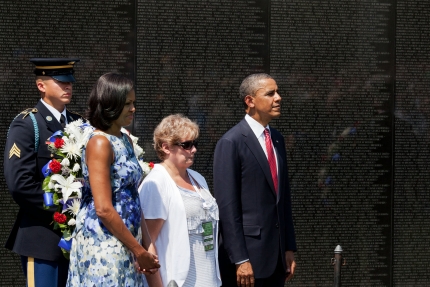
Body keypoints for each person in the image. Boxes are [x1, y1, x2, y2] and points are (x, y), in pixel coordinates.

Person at [66, 73, 159, 286]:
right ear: (110, 105)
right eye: (127, 104)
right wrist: (138, 250)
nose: (133, 109)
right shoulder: (99, 143)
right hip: (104, 242)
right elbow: (103, 209)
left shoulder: (124, 138)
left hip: (128, 240)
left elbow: (131, 196)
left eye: (134, 103)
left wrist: (145, 244)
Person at [3, 58, 82, 287]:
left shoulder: (79, 122)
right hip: (42, 239)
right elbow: (20, 184)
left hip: (78, 241)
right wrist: (66, 209)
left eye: (69, 82)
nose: (68, 86)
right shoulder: (27, 125)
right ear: (41, 86)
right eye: (60, 82)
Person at [213, 73, 297, 287]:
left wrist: (288, 247)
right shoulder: (231, 142)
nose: (278, 98)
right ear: (249, 101)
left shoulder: (276, 138)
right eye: (270, 93)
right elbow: (227, 207)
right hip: (247, 261)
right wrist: (240, 259)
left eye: (277, 92)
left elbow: (283, 196)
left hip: (277, 259)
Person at [139, 114, 221, 287]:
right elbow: (147, 245)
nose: (193, 150)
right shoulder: (156, 183)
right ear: (166, 147)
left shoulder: (198, 177)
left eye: (195, 144)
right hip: (177, 281)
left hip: (209, 278)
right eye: (186, 145)